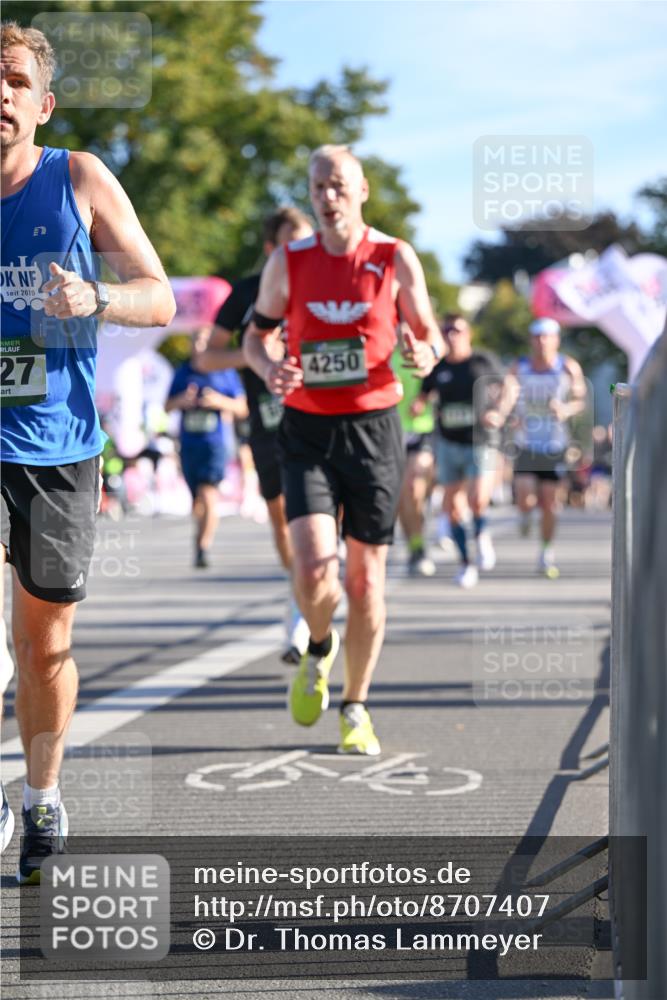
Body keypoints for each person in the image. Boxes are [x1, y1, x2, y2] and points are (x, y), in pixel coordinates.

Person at [0, 22, 176, 879]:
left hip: (58, 446)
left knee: (43, 646)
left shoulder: (78, 177)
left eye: (14, 80)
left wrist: (96, 296)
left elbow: (160, 296)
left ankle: (41, 794)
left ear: (42, 103)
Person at [244, 145, 444, 755]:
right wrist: (270, 369)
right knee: (312, 569)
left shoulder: (393, 256)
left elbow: (430, 335)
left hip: (374, 431)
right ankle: (319, 644)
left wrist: (424, 353)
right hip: (307, 430)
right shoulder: (289, 261)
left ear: (361, 191)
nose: (327, 197)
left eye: (337, 186)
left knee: (366, 582)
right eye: (317, 187)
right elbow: (256, 337)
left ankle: (356, 705)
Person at [194, 208, 313, 659]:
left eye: (306, 242)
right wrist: (254, 353)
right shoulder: (246, 292)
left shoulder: (324, 284)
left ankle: (310, 595)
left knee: (322, 518)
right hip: (268, 421)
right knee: (283, 517)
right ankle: (299, 594)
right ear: (270, 248)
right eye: (290, 243)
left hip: (321, 415)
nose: (299, 252)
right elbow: (206, 359)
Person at [414, 315, 505, 588]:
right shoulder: (439, 367)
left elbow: (508, 387)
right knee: (452, 507)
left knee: (477, 499)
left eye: (457, 330)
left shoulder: (482, 361)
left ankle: (481, 535)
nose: (452, 335)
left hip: (481, 440)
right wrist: (418, 405)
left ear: (469, 334)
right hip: (449, 442)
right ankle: (466, 563)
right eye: (447, 331)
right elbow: (423, 395)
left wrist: (497, 411)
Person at [496, 317, 587, 578]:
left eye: (547, 336)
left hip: (554, 444)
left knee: (549, 501)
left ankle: (546, 552)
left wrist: (566, 409)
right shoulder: (520, 366)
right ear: (531, 340)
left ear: (556, 339)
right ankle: (524, 514)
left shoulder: (568, 367)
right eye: (537, 337)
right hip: (526, 442)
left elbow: (580, 401)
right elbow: (507, 394)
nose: (542, 342)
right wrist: (503, 414)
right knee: (525, 495)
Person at [166, 331, 247, 567]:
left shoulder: (224, 371)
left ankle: (203, 546)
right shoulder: (183, 372)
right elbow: (166, 406)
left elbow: (243, 408)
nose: (200, 346)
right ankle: (200, 535)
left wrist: (219, 401)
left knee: (209, 493)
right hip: (189, 445)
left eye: (205, 341)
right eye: (197, 341)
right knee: (197, 500)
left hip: (216, 444)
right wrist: (182, 400)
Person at [393, 325, 437, 578]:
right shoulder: (384, 355)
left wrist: (424, 397)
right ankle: (415, 546)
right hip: (392, 431)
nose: (404, 332)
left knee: (413, 489)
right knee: (402, 498)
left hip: (421, 430)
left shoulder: (424, 352)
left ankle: (420, 544)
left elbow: (439, 378)